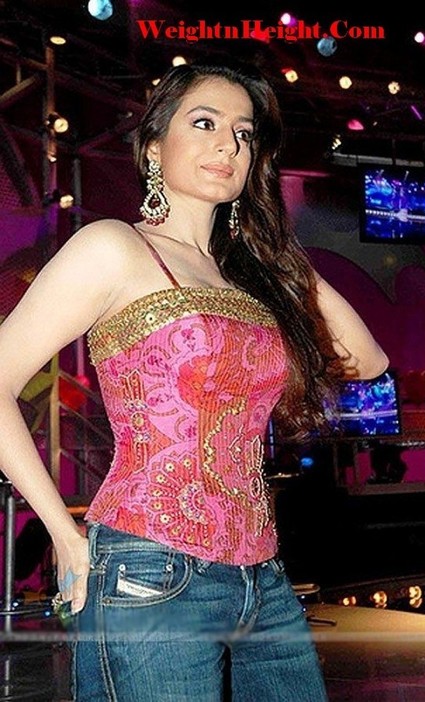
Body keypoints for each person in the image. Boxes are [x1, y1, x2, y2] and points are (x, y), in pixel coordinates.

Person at [0, 58, 388, 701]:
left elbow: (367, 361)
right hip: (150, 566)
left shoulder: (249, 277)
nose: (228, 145)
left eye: (244, 133)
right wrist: (64, 534)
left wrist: (277, 254)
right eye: (204, 123)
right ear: (154, 146)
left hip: (262, 575)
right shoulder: (115, 247)